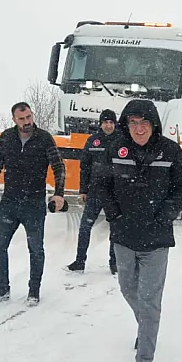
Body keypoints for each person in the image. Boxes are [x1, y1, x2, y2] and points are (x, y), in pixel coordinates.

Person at [99, 99, 182, 362]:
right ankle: (146, 327)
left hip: (156, 238)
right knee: (128, 289)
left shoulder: (170, 151)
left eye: (144, 123)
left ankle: (144, 359)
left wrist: (166, 213)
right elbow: (102, 184)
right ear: (126, 125)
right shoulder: (114, 149)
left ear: (153, 125)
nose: (139, 129)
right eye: (133, 123)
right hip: (124, 236)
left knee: (150, 298)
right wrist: (114, 215)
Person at [0, 102, 66, 307]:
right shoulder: (7, 138)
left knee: (36, 249)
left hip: (34, 203)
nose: (27, 122)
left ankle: (34, 291)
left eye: (29, 117)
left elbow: (58, 167)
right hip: (10, 202)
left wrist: (59, 194)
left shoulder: (44, 138)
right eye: (22, 119)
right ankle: (2, 288)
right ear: (14, 120)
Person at [66, 109, 120, 274]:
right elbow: (85, 167)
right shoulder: (93, 141)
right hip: (95, 191)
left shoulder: (122, 141)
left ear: (115, 124)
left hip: (115, 193)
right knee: (85, 227)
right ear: (100, 124)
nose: (108, 125)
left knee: (116, 229)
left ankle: (114, 264)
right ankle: (79, 261)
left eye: (111, 122)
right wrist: (83, 189)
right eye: (105, 122)